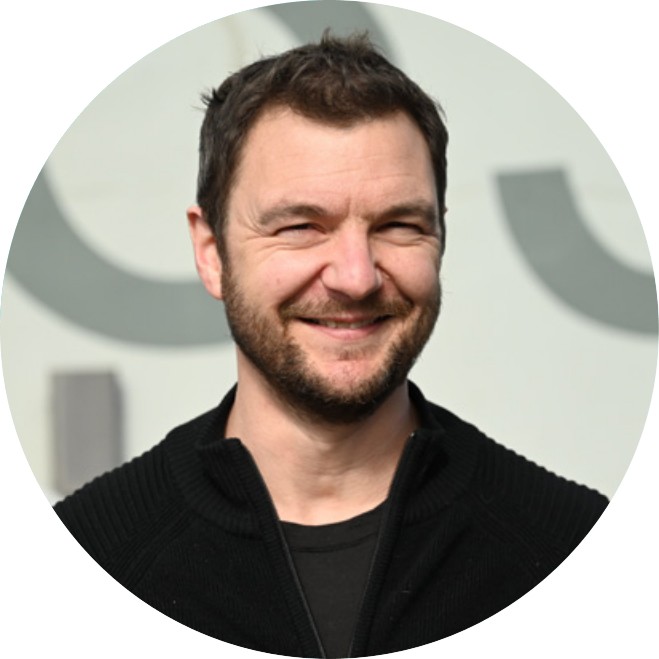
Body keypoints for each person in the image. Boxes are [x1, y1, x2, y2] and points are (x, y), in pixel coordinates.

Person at [55, 32, 608, 658]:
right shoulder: (83, 562)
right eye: (300, 227)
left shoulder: (573, 548)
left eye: (398, 225)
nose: (356, 277)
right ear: (211, 254)